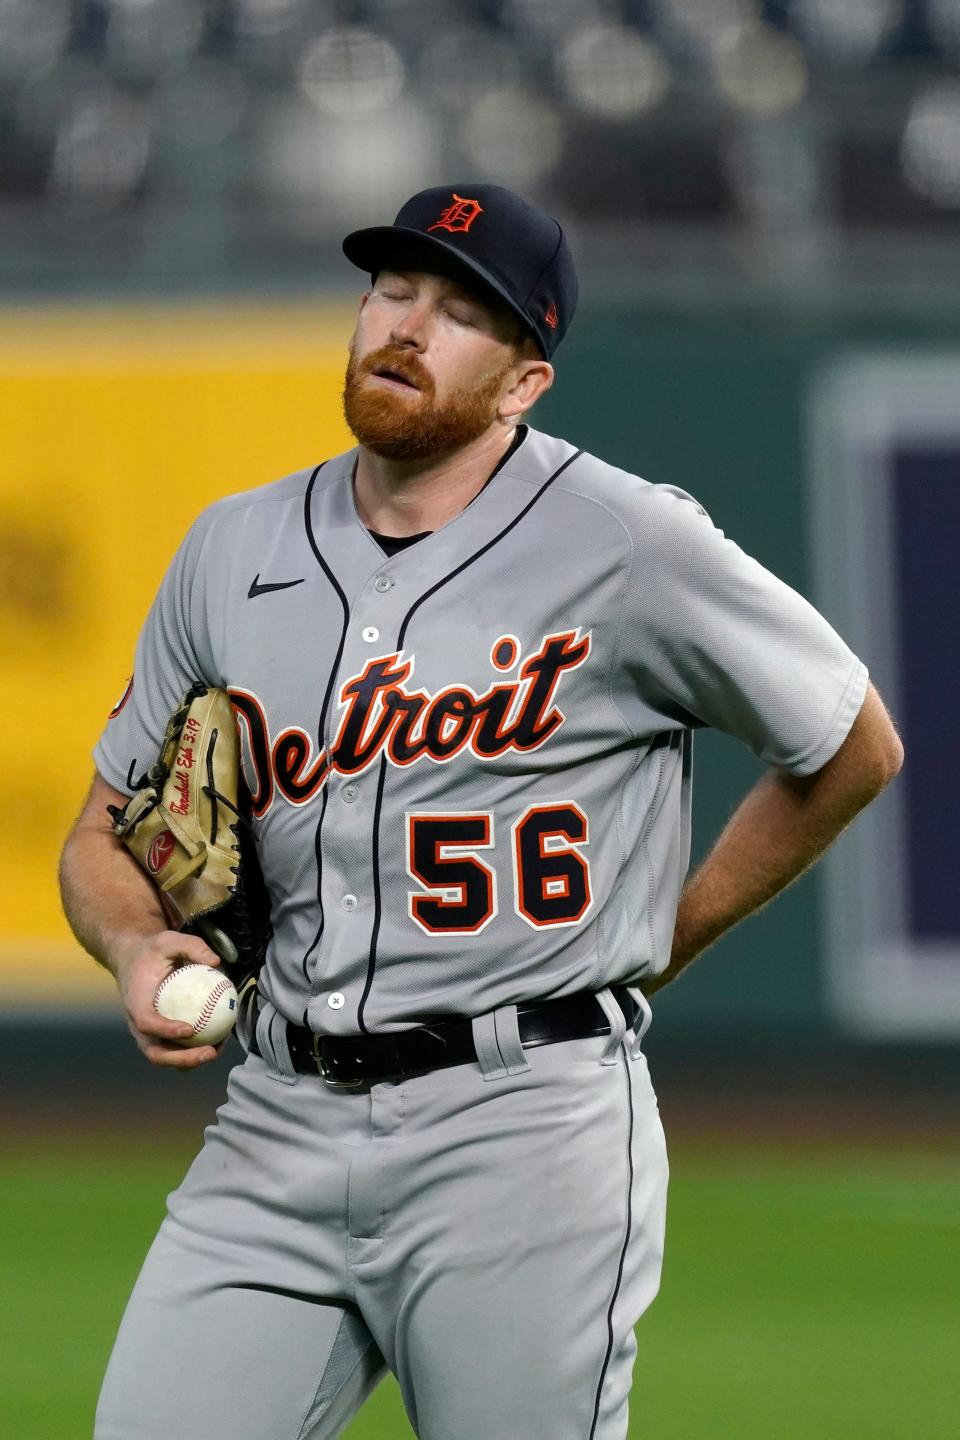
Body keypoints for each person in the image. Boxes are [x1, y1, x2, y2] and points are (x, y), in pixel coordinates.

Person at [59, 183, 903, 1440]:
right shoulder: (230, 549)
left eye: (461, 313)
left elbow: (849, 744)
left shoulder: (628, 542)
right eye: (393, 291)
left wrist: (667, 939)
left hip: (525, 1131)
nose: (407, 326)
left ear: (522, 384)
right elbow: (101, 829)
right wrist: (133, 942)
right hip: (275, 1119)